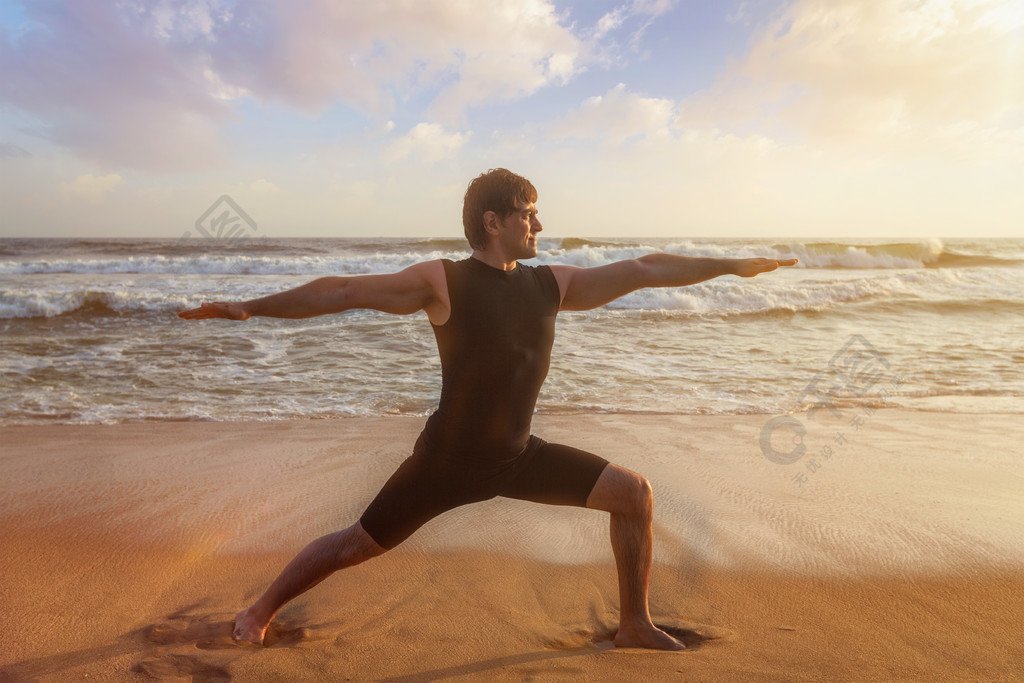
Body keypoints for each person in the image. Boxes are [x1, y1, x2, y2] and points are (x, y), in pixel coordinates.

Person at [178, 168, 797, 650]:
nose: (541, 225)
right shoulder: (441, 281)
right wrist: (251, 307)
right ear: (494, 221)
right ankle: (258, 612)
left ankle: (633, 623)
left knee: (634, 495)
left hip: (517, 457)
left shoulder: (551, 285)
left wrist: (730, 266)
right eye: (530, 214)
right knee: (351, 547)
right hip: (446, 463)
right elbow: (342, 292)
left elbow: (643, 268)